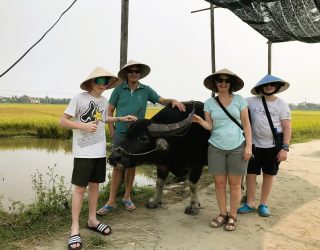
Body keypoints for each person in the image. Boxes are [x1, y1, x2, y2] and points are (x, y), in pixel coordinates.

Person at [60, 67, 137, 250]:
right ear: (91, 83)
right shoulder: (79, 98)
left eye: (105, 82)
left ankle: (92, 220)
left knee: (95, 186)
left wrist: (120, 118)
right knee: (80, 189)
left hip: (99, 151)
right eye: (98, 81)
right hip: (83, 152)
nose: (102, 85)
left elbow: (103, 119)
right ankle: (75, 227)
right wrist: (83, 126)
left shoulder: (103, 101)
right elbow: (62, 121)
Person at [97, 60, 186, 215]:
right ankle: (111, 201)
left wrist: (173, 101)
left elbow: (161, 100)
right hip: (121, 133)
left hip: (136, 135)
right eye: (131, 71)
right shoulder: (119, 89)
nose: (134, 74)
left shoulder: (146, 90)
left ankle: (127, 197)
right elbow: (109, 112)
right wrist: (113, 132)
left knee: (131, 166)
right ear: (126, 73)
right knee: (117, 168)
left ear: (140, 75)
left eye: (137, 71)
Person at [192, 68, 252, 231]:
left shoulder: (239, 100)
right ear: (215, 84)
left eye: (226, 81)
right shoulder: (210, 103)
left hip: (237, 146)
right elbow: (210, 125)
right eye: (220, 80)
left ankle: (233, 216)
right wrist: (200, 121)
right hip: (216, 147)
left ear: (230, 84)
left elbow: (246, 124)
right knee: (219, 183)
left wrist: (248, 146)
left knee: (235, 183)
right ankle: (222, 213)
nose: (223, 83)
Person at [237, 74, 291, 217]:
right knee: (250, 174)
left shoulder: (282, 105)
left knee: (269, 174)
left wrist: (285, 148)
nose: (269, 87)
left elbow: (287, 128)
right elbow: (233, 101)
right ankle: (249, 203)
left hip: (273, 147)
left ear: (277, 87)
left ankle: (264, 204)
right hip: (253, 145)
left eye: (272, 84)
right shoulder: (250, 101)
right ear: (260, 88)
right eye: (266, 85)